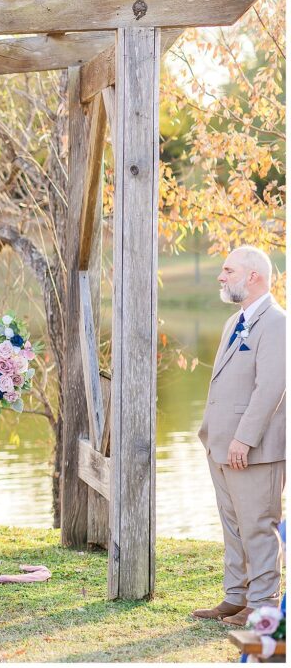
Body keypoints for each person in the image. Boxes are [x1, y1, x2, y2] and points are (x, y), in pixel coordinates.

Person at [192, 247, 285, 627]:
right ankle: (236, 596)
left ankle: (263, 604)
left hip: (254, 448)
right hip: (220, 443)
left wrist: (243, 439)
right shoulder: (236, 322)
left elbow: (271, 387)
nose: (221, 276)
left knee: (258, 523)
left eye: (228, 270)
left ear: (253, 277)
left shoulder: (277, 322)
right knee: (232, 524)